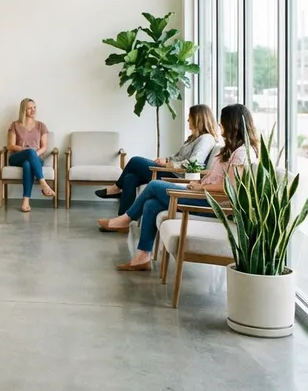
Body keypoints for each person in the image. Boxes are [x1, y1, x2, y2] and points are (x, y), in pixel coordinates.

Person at [98, 103, 259, 272]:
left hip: (211, 203)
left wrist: (201, 189)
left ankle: (126, 218)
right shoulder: (233, 149)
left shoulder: (242, 153)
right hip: (203, 195)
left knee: (153, 185)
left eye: (223, 123)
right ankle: (142, 258)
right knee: (151, 204)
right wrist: (199, 184)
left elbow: (231, 188)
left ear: (233, 124)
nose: (220, 126)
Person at [95, 104, 220, 215]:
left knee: (135, 160)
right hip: (170, 170)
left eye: (190, 117)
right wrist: (165, 159)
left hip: (177, 175)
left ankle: (116, 188)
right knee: (130, 178)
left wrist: (169, 164)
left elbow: (195, 162)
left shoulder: (206, 139)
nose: (188, 120)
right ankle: (122, 220)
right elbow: (177, 156)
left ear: (198, 118)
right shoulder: (193, 138)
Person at [7, 98, 55, 212]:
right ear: (23, 110)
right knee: (29, 154)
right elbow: (10, 146)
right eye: (29, 108)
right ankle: (43, 183)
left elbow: (44, 147)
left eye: (34, 107)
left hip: (36, 158)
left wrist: (33, 154)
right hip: (17, 157)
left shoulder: (41, 126)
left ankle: (26, 201)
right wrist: (26, 150)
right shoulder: (15, 125)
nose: (33, 110)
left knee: (28, 164)